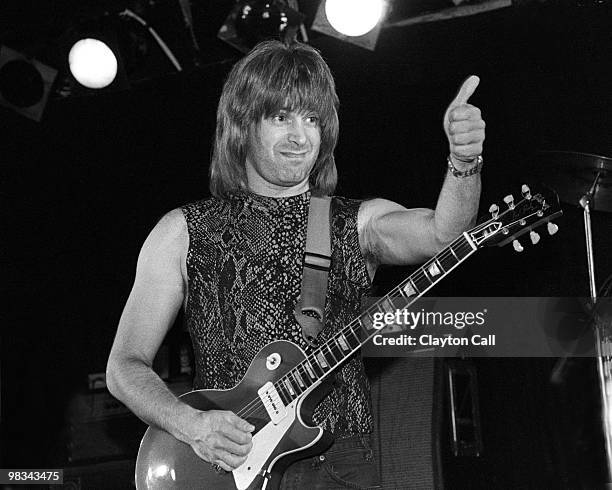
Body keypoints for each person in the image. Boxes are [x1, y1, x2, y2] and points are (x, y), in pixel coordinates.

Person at [106, 40, 485, 489]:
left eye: (311, 119)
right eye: (281, 117)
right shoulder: (182, 232)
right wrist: (190, 424)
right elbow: (124, 368)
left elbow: (444, 234)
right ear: (242, 125)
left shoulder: (356, 222)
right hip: (228, 468)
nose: (299, 137)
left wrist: (463, 162)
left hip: (342, 465)